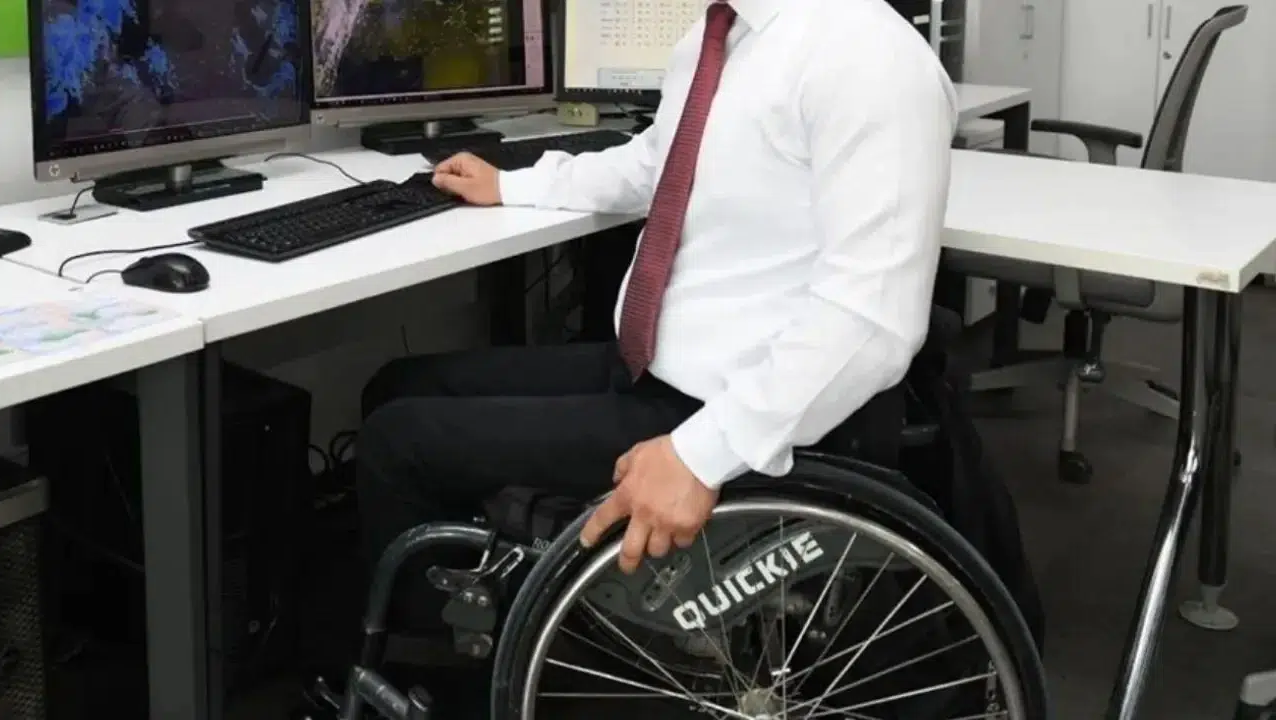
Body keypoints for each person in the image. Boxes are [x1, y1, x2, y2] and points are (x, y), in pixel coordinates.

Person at [356, 0, 957, 628]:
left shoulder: (866, 54)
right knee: (396, 385)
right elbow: (657, 161)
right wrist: (515, 185)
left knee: (395, 443)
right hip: (658, 367)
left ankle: (436, 663)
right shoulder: (719, 34)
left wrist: (701, 454)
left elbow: (872, 321)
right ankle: (468, 604)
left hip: (737, 406)